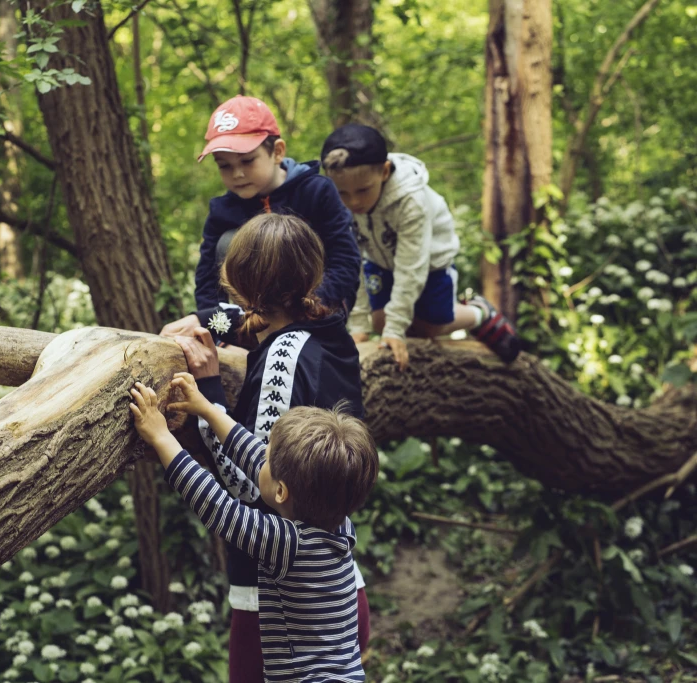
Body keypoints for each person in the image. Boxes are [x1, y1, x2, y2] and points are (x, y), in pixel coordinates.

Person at [172, 213, 369, 683]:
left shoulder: (284, 359)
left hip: (280, 609)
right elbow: (249, 318)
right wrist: (205, 322)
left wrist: (209, 389)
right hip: (335, 595)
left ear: (237, 283)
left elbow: (251, 483)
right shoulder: (325, 321)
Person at [130, 375, 379, 683]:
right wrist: (208, 410)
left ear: (281, 492)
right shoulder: (339, 519)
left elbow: (216, 505)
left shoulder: (286, 544)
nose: (262, 456)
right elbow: (256, 458)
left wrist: (161, 437)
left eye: (268, 456)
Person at [320, 124, 521, 369]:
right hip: (381, 262)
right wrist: (359, 328)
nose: (354, 201)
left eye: (363, 190)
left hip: (429, 265)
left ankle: (479, 313)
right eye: (343, 193)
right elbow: (355, 264)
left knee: (429, 327)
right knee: (380, 322)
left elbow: (411, 267)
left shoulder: (411, 201)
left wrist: (396, 331)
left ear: (384, 172)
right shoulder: (346, 204)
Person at [160, 95, 361, 338]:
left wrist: (314, 304)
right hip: (255, 320)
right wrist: (213, 328)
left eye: (247, 160)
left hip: (316, 308)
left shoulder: (316, 192)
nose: (237, 173)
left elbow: (345, 260)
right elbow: (208, 281)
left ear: (277, 152)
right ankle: (239, 339)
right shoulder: (222, 211)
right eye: (224, 165)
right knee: (228, 242)